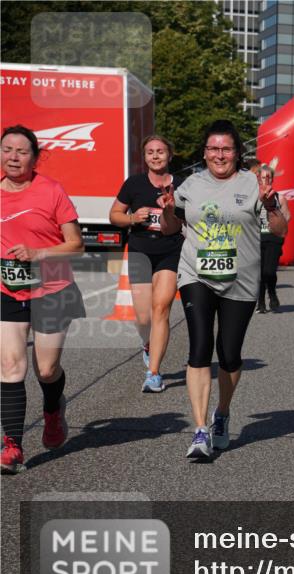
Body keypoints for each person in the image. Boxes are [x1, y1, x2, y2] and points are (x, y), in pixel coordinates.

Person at [159, 120, 287, 460]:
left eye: (226, 149)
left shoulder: (254, 183)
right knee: (199, 346)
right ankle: (199, 430)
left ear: (237, 152)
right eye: (213, 149)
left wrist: (272, 206)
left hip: (241, 277)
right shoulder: (191, 185)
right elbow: (170, 228)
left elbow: (281, 230)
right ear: (204, 153)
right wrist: (169, 211)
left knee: (228, 353)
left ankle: (223, 413)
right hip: (195, 274)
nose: (219, 155)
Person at [1, 125, 86, 474]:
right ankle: (12, 446)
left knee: (46, 369)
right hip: (7, 289)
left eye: (22, 151)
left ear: (35, 157)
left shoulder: (51, 191)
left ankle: (53, 410)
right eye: (7, 149)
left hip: (52, 288)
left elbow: (76, 245)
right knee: (10, 367)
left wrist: (38, 253)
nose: (14, 157)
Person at [108, 135, 183, 393]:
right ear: (145, 157)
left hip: (170, 251)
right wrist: (131, 218)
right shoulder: (134, 184)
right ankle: (147, 343)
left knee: (161, 308)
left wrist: (170, 212)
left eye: (160, 151)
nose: (155, 156)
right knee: (143, 316)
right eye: (150, 152)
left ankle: (154, 373)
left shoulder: (180, 186)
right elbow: (114, 215)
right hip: (140, 250)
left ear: (169, 155)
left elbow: (184, 224)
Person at [247, 159, 290, 313]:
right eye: (262, 178)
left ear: (273, 179)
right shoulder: (251, 197)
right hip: (255, 239)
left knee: (269, 272)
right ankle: (260, 302)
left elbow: (287, 220)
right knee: (258, 273)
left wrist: (278, 219)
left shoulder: (280, 198)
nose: (266, 180)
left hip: (273, 239)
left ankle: (272, 292)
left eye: (269, 177)